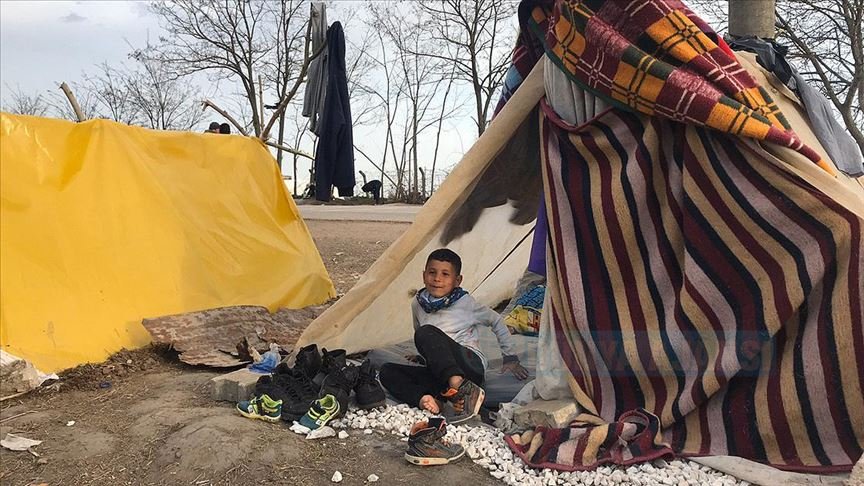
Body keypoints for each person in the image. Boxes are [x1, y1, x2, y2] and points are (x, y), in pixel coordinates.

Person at [379, 248, 529, 424]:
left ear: (457, 280)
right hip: (441, 373)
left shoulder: (465, 303)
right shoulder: (418, 303)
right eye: (432, 272)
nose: (437, 279)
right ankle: (428, 400)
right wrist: (423, 356)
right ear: (423, 275)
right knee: (387, 371)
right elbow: (427, 339)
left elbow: (496, 320)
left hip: (468, 365)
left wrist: (510, 357)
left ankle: (463, 390)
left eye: (445, 274)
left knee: (426, 332)